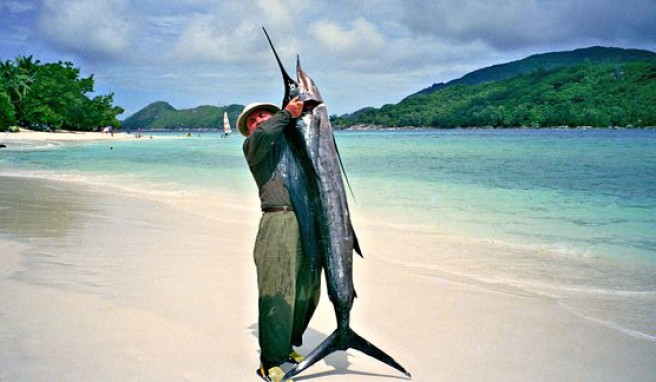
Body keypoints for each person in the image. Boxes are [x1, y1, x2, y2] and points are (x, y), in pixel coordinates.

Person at [238, 98, 322, 382]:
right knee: (277, 290)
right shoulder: (253, 145)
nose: (259, 120)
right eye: (253, 119)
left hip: (306, 222)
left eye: (263, 115)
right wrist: (286, 113)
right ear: (249, 130)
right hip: (278, 221)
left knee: (306, 289)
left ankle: (286, 348)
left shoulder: (291, 146)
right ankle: (270, 360)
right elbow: (264, 134)